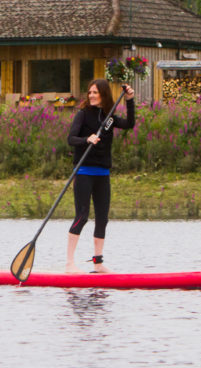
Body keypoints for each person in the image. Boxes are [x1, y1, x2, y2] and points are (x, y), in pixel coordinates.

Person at [66, 79, 134, 273]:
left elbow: (129, 123)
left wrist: (130, 99)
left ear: (104, 95)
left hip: (102, 173)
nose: (92, 96)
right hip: (84, 171)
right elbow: (71, 139)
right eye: (90, 92)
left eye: (96, 92)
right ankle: (70, 263)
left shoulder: (109, 118)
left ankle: (98, 262)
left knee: (102, 218)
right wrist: (87, 139)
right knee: (82, 216)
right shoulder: (82, 114)